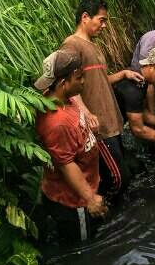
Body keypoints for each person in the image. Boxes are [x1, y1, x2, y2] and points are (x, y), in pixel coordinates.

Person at [61, 0, 141, 200]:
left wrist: (123, 74)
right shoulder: (71, 45)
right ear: (85, 17)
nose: (105, 25)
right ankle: (103, 211)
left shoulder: (93, 46)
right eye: (102, 20)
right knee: (118, 179)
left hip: (111, 122)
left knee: (125, 172)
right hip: (99, 127)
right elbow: (68, 86)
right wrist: (86, 114)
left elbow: (100, 81)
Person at [35, 50, 106, 242]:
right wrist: (90, 199)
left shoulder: (64, 97)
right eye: (79, 78)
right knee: (82, 249)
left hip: (83, 188)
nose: (83, 81)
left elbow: (75, 101)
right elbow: (66, 165)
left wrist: (88, 116)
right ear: (62, 83)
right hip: (73, 203)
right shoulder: (56, 122)